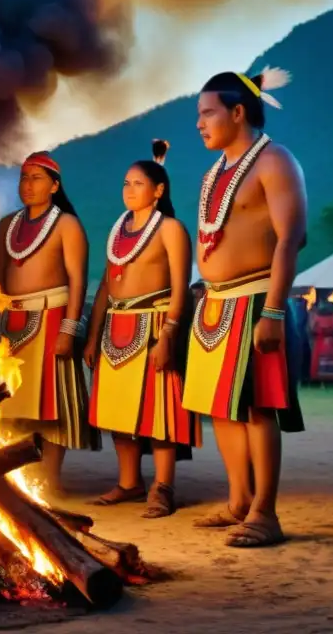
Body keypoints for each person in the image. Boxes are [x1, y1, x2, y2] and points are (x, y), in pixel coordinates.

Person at [183, 67, 306, 548]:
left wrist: (274, 311)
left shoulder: (275, 160)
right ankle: (238, 501)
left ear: (238, 112)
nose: (199, 123)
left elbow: (291, 237)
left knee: (258, 409)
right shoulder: (214, 173)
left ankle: (264, 512)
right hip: (214, 303)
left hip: (257, 299)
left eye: (207, 112)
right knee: (224, 411)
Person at [83, 140, 200, 519]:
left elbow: (181, 286)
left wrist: (169, 335)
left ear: (158, 190)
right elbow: (105, 285)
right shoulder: (118, 231)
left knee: (159, 413)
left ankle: (162, 486)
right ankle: (129, 482)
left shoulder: (171, 229)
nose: (128, 190)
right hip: (115, 326)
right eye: (125, 184)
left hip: (155, 324)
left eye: (137, 183)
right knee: (119, 412)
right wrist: (92, 333)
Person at [0, 151, 101, 500]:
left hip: (52, 319)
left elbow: (78, 281)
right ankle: (19, 481)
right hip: (11, 323)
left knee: (53, 408)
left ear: (54, 185)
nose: (28, 184)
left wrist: (69, 329)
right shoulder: (7, 225)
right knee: (11, 408)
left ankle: (50, 481)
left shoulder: (67, 224)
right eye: (24, 177)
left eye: (37, 178)